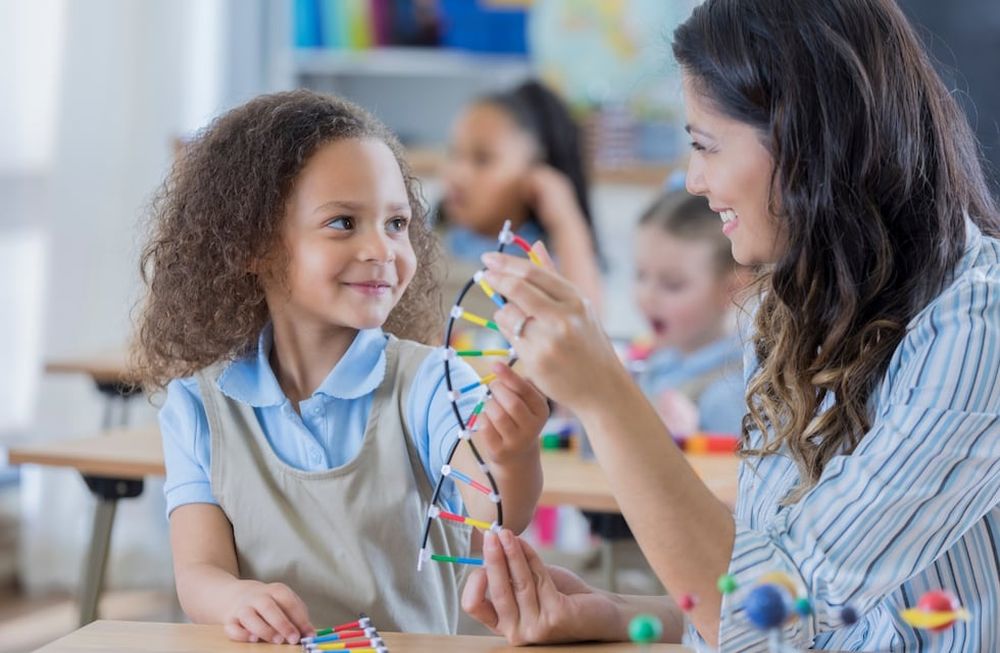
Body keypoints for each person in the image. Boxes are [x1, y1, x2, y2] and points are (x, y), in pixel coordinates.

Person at [461, 0, 1000, 650]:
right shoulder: (795, 300)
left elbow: (769, 613)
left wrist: (605, 392)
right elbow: (790, 601)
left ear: (802, 140)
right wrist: (626, 614)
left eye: (704, 145)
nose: (693, 180)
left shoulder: (977, 329)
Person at [131, 90, 548, 644]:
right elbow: (199, 572)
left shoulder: (431, 383)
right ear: (254, 246)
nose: (381, 248)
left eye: (397, 223)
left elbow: (491, 518)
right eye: (343, 223)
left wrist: (513, 454)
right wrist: (235, 599)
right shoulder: (198, 405)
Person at [439, 79, 603, 312]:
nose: (457, 174)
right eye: (454, 153)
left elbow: (587, 324)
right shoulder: (425, 244)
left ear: (534, 172)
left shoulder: (545, 262)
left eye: (483, 159)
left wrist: (565, 220)